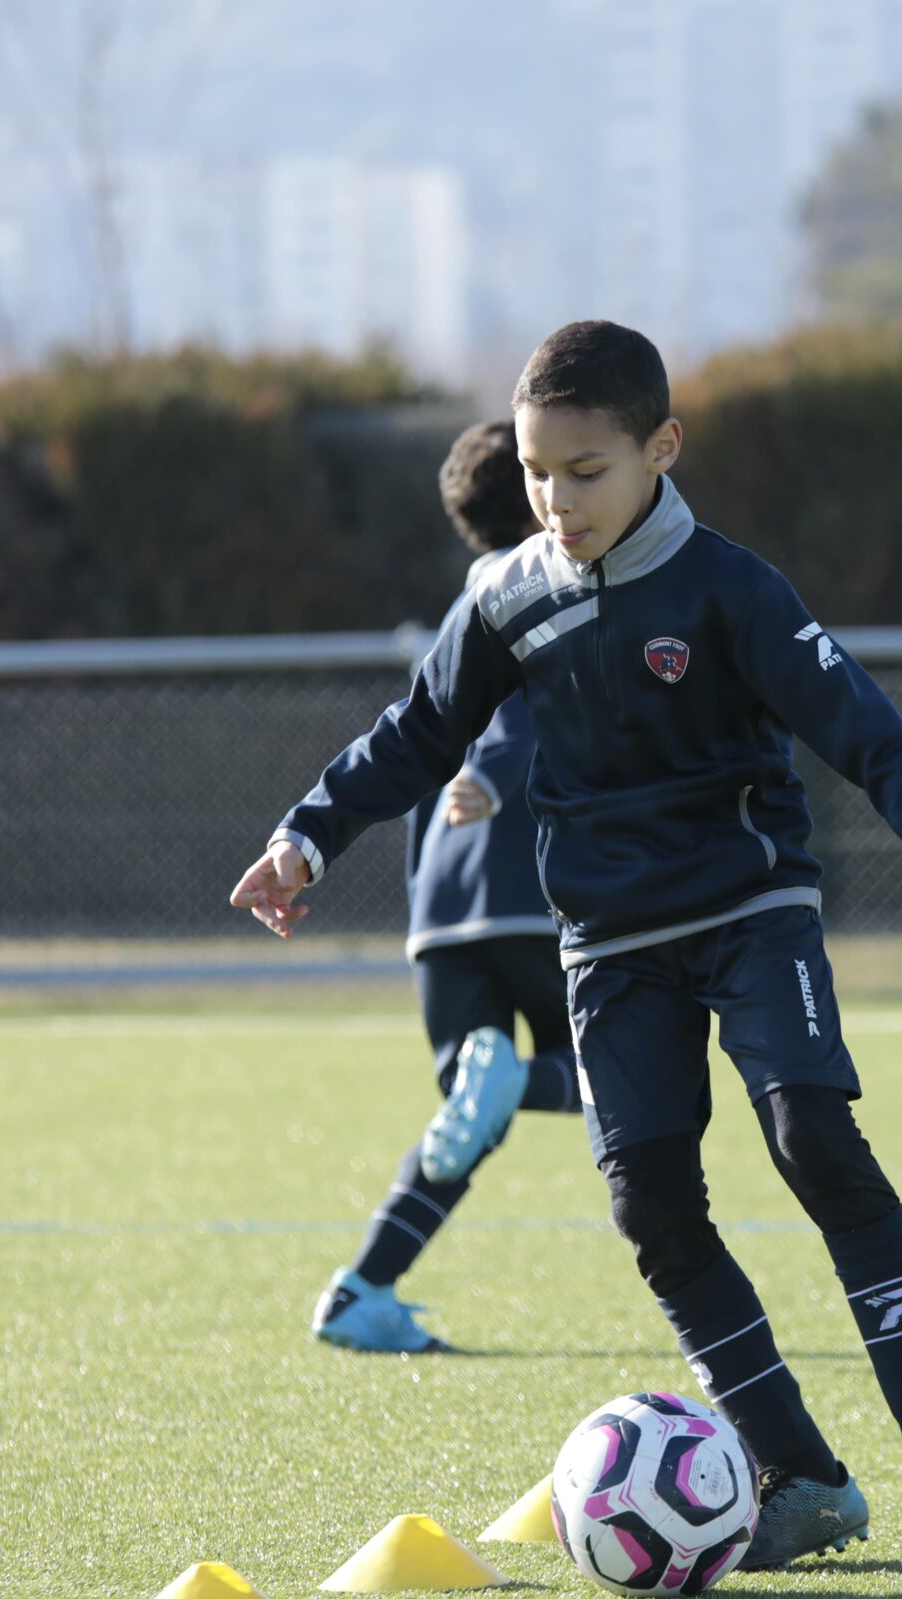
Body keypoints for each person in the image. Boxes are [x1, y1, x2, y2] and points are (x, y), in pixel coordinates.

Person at [231, 321, 902, 1568]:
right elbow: (416, 731)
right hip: (605, 947)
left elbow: (872, 739)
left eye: (585, 470)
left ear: (661, 448)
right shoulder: (511, 597)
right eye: (539, 473)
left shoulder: (732, 588)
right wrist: (306, 838)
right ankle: (801, 1475)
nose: (556, 499)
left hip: (751, 915)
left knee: (810, 1134)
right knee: (650, 1205)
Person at [311, 420, 584, 1354]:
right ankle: (512, 1078)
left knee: (471, 1115)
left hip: (443, 909)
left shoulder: (454, 614)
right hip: (527, 881)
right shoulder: (553, 588)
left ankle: (360, 1290)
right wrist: (502, 776)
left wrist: (426, 899)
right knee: (618, 1071)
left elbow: (414, 741)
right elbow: (528, 708)